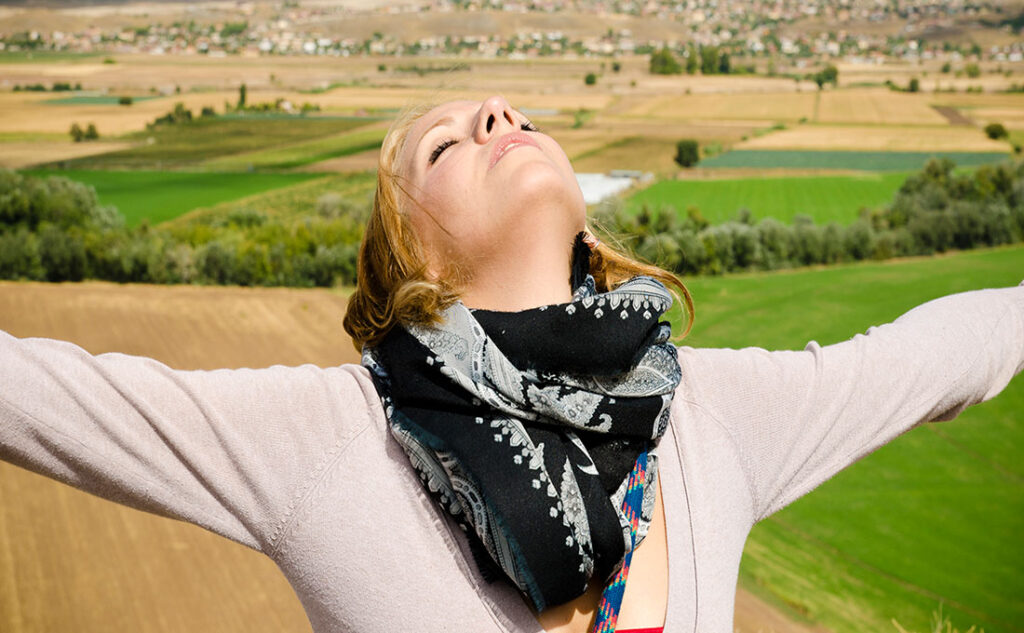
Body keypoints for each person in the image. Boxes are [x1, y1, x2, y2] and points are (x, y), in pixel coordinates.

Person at [1, 94, 1022, 633]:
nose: (497, 114)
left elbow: (936, 356)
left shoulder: (704, 412)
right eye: (443, 148)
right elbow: (41, 395)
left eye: (512, 115)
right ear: (418, 262)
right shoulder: (330, 437)